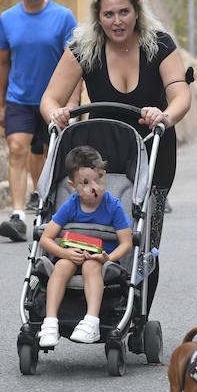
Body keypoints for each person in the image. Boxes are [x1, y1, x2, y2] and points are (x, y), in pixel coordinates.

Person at [40, 0, 192, 289]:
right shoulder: (84, 49)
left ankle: (138, 317)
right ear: (98, 17)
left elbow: (180, 94)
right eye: (109, 14)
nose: (117, 21)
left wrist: (165, 115)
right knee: (98, 230)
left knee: (145, 239)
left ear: (137, 12)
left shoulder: (160, 45)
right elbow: (49, 99)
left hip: (154, 150)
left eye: (124, 12)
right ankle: (100, 301)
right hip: (103, 156)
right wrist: (55, 115)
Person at [0, 0, 78, 242]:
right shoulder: (7, 19)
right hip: (19, 98)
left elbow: (77, 62)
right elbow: (2, 63)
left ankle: (45, 209)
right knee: (17, 148)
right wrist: (1, 103)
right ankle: (18, 215)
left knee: (49, 154)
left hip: (54, 100)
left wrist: (73, 103)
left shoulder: (63, 17)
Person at [36, 145, 133, 346]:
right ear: (73, 186)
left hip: (99, 259)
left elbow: (127, 243)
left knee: (91, 266)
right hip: (70, 254)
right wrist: (65, 253)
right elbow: (46, 239)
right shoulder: (70, 205)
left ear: (104, 175)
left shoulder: (112, 206)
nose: (94, 187)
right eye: (86, 183)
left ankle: (91, 321)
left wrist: (108, 258)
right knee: (61, 266)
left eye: (99, 179)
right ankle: (50, 322)